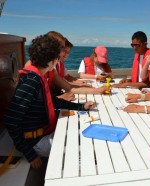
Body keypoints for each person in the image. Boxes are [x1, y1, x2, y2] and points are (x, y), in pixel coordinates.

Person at [4, 34, 95, 169]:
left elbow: (53, 102)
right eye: (57, 58)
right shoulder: (31, 82)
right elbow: (11, 120)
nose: (58, 61)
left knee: (84, 136)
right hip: (35, 142)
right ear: (52, 60)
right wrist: (30, 154)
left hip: (42, 134)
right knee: (83, 152)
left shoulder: (37, 77)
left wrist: (81, 107)